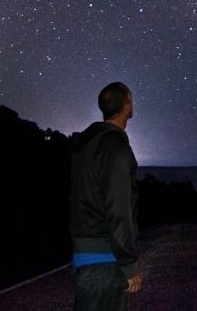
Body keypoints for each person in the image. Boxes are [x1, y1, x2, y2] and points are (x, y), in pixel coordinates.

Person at [69, 81, 141, 310]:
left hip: (84, 256)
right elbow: (118, 207)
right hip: (106, 260)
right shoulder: (114, 147)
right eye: (131, 99)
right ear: (126, 105)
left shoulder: (86, 146)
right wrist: (128, 263)